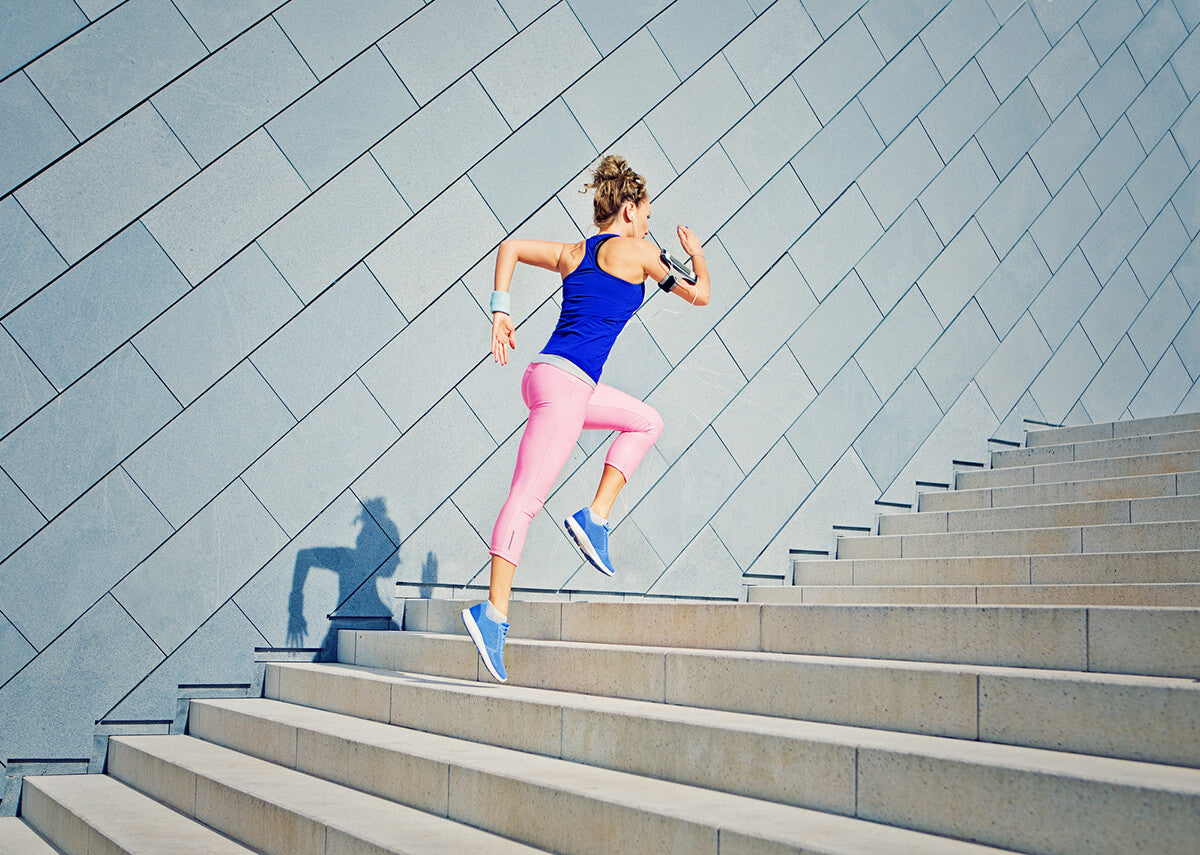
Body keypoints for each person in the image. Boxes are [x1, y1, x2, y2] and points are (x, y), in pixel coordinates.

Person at [461, 155, 711, 682]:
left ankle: (594, 519)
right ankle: (493, 614)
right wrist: (696, 255)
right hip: (568, 386)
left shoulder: (576, 251)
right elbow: (700, 296)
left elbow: (508, 247)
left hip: (550, 377)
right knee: (525, 501)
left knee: (646, 421)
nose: (649, 223)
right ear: (628, 209)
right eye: (646, 213)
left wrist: (501, 311)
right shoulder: (640, 250)